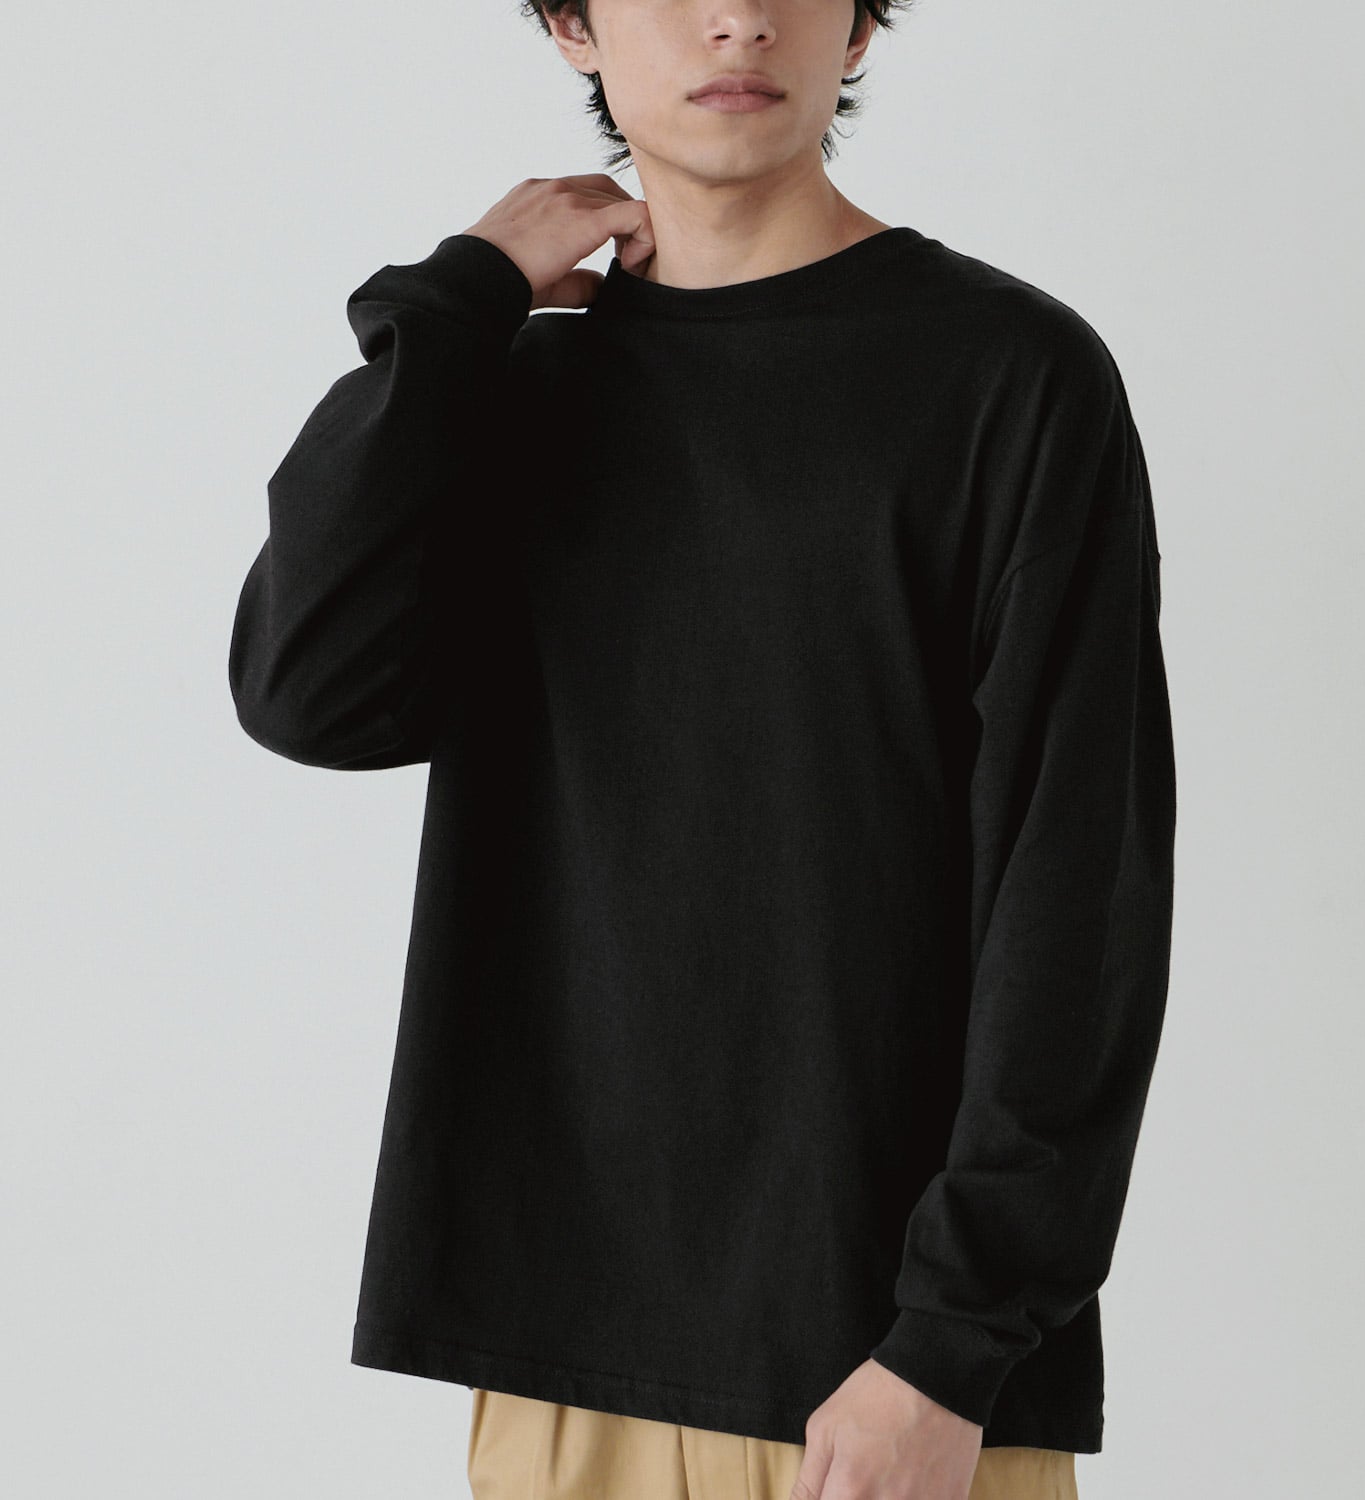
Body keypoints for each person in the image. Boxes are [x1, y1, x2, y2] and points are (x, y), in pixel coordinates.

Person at [227, 0, 1176, 1495]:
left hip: (891, 1374)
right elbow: (307, 689)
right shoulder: (516, 387)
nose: (739, 18)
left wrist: (954, 1341)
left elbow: (1079, 897)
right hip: (563, 1356)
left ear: (859, 27)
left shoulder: (1009, 377)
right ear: (571, 24)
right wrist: (458, 302)